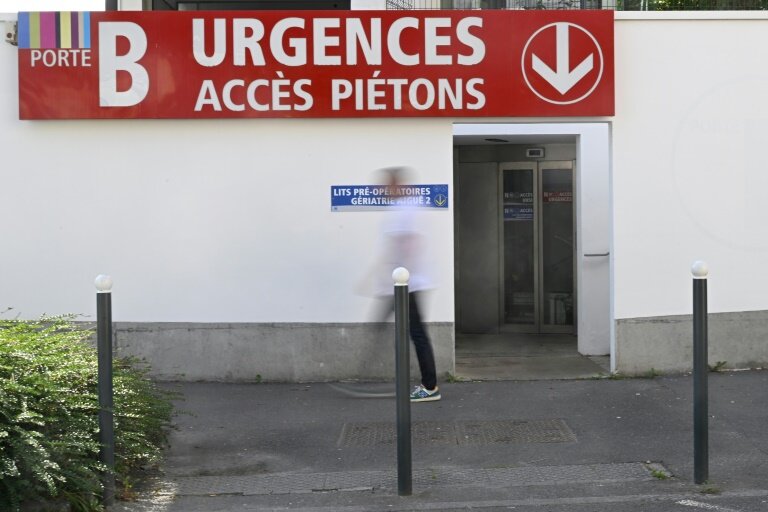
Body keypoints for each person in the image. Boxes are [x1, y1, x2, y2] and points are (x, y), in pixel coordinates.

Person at [374, 166, 440, 403]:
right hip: (406, 282)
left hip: (405, 285)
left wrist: (388, 280)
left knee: (416, 334)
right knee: (412, 332)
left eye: (386, 186)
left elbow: (403, 246)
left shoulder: (403, 209)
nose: (383, 191)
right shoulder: (409, 207)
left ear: (396, 185)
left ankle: (430, 386)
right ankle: (427, 384)